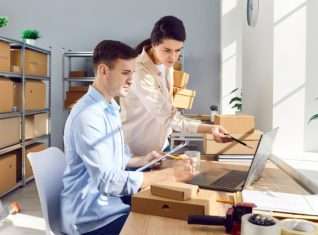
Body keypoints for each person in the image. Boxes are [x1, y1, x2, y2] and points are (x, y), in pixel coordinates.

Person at [60, 40, 194, 235]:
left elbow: (113, 159)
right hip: (91, 220)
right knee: (163, 227)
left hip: (110, 205)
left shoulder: (110, 107)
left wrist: (143, 160)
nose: (131, 80)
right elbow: (108, 181)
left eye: (132, 72)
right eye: (125, 73)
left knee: (175, 216)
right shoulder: (88, 115)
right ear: (104, 71)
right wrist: (170, 174)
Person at [120, 16, 231, 156]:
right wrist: (210, 129)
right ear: (154, 44)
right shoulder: (139, 73)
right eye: (167, 50)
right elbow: (168, 117)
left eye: (178, 50)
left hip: (161, 146)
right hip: (136, 152)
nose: (173, 57)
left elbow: (168, 108)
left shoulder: (165, 64)